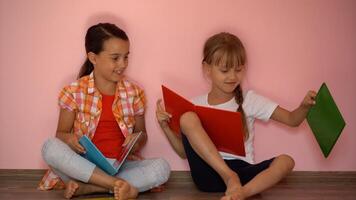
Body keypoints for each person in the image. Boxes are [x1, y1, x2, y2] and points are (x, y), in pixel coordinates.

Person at [156, 32, 316, 200]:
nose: (232, 76)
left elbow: (292, 120)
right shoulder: (194, 104)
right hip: (208, 174)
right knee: (187, 117)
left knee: (286, 161)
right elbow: (183, 153)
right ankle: (229, 177)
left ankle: (241, 193)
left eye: (238, 70)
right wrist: (165, 127)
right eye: (224, 70)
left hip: (243, 175)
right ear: (207, 69)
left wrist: (304, 107)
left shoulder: (250, 100)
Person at [38, 23, 171, 200]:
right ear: (93, 58)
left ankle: (89, 188)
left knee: (162, 168)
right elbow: (60, 134)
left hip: (120, 166)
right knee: (50, 147)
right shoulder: (73, 91)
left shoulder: (134, 92)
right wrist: (70, 139)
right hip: (83, 166)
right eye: (115, 58)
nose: (122, 64)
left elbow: (142, 135)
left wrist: (136, 139)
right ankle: (115, 185)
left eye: (126, 57)